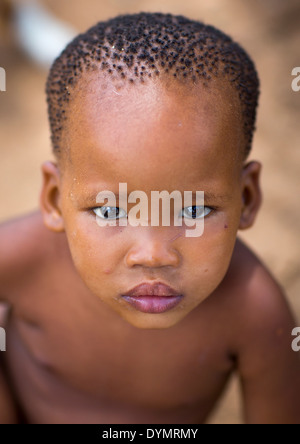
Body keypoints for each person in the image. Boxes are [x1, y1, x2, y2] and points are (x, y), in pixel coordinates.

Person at [0, 12, 299, 424]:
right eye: (109, 210)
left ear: (247, 198)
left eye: (194, 210)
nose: (154, 255)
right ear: (53, 199)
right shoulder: (17, 261)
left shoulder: (256, 316)